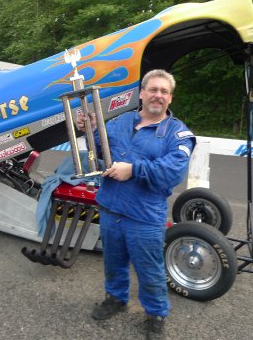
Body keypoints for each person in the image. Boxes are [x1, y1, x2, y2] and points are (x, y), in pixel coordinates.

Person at [76, 69, 196, 339]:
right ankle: (116, 298)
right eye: (153, 89)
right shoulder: (121, 121)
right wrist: (90, 127)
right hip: (110, 209)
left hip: (145, 217)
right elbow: (99, 147)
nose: (158, 95)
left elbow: (172, 171)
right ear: (141, 93)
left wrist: (134, 169)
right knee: (113, 261)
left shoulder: (178, 135)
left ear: (170, 98)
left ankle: (156, 314)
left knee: (149, 269)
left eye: (164, 91)